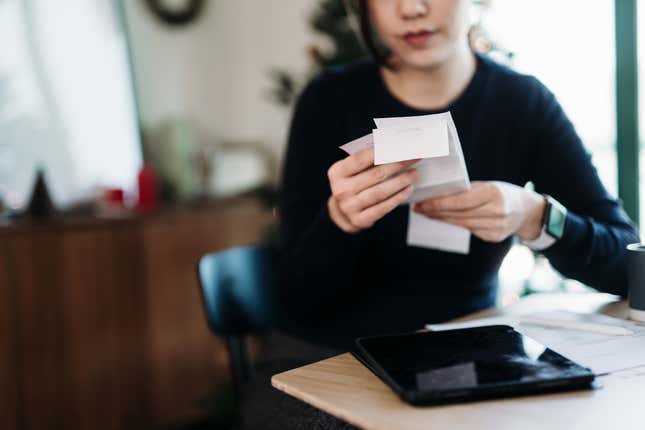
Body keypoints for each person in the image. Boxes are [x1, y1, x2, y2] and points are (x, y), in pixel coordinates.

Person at [243, 1, 640, 428]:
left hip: (464, 354)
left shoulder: (522, 103)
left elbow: (628, 270)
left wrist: (536, 216)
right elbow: (291, 299)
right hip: (326, 356)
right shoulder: (328, 100)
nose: (411, 8)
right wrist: (338, 223)